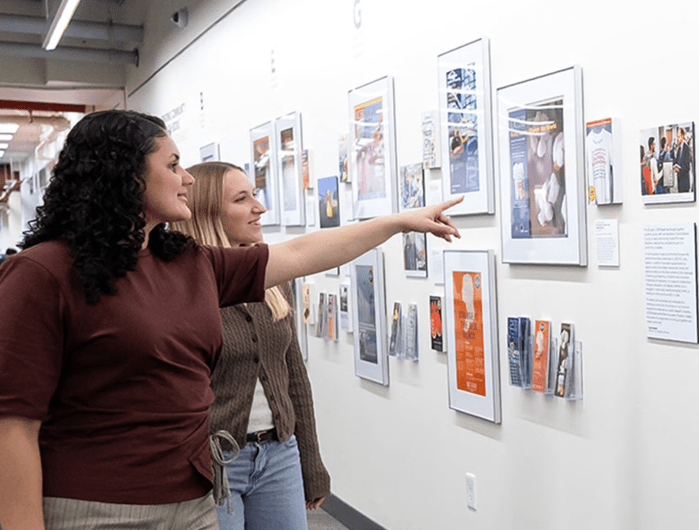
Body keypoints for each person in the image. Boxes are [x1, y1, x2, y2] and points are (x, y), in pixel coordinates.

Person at [0, 110, 461, 530]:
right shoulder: (42, 274)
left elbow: (300, 253)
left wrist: (398, 222)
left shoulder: (190, 264)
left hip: (195, 502)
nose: (186, 179)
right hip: (97, 510)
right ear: (126, 174)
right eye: (173, 165)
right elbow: (14, 425)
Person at [171, 162, 328, 530]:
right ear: (208, 212)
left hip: (279, 454)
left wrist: (311, 459)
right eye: (242, 199)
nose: (259, 208)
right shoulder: (183, 285)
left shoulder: (273, 279)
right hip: (213, 460)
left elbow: (295, 379)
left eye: (254, 195)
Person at [673, 127, 691, 193]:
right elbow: (676, 161)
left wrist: (679, 169)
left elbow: (687, 166)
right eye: (677, 137)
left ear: (683, 136)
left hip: (685, 183)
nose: (677, 139)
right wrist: (675, 166)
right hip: (679, 182)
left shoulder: (686, 149)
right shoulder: (679, 148)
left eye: (679, 136)